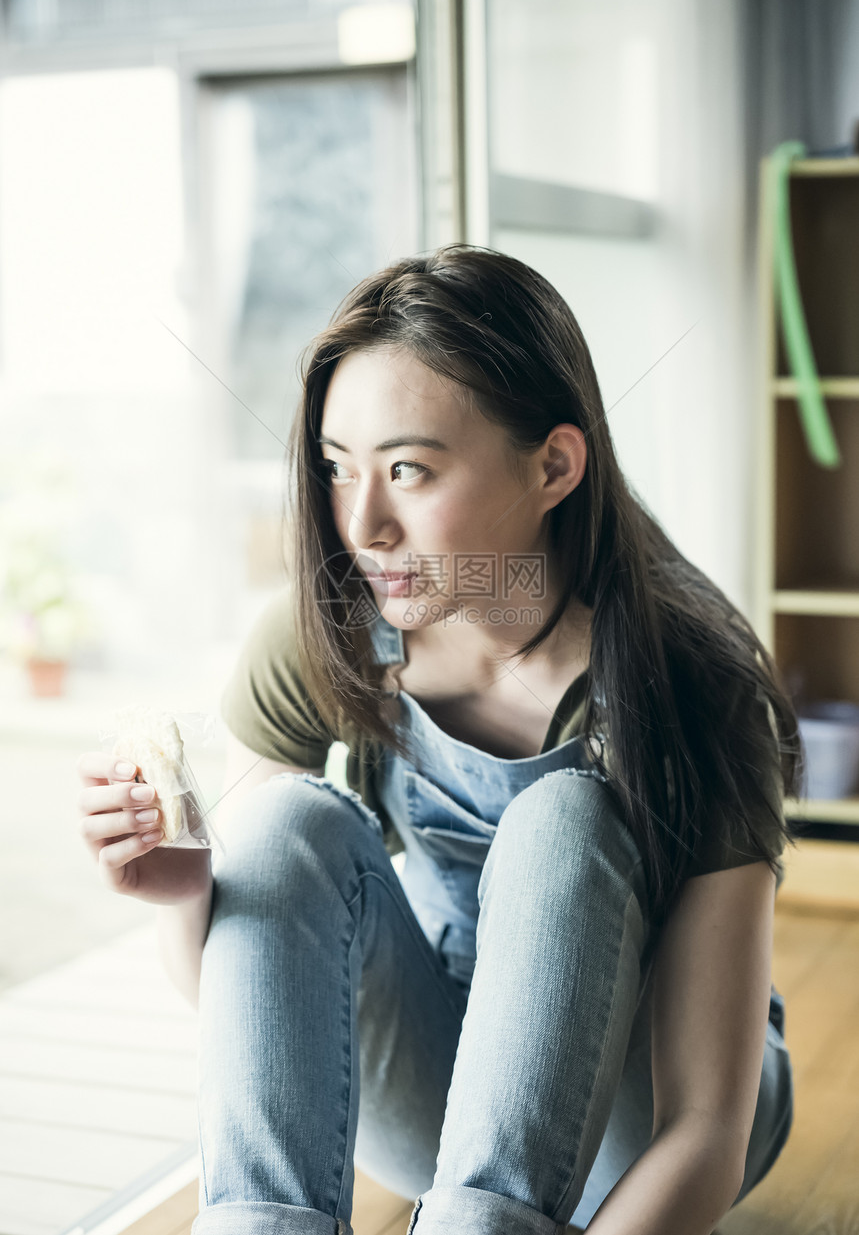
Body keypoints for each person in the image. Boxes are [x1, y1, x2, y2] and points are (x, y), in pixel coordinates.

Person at [76, 244, 800, 1235]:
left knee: (563, 816)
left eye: (408, 469)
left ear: (552, 464)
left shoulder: (690, 682)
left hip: (647, 1107)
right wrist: (185, 894)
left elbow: (706, 1127)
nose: (362, 523)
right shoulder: (330, 629)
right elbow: (262, 1017)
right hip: (441, 1076)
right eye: (338, 469)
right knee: (280, 820)